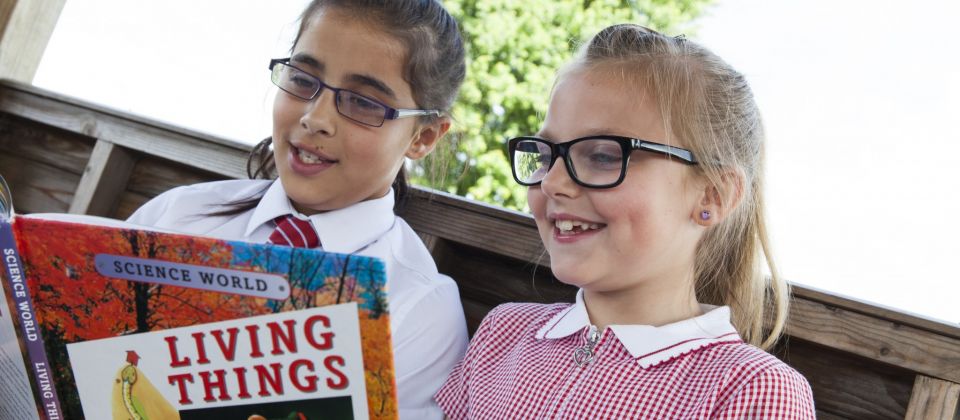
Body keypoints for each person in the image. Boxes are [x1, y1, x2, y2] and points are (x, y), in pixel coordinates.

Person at [435, 24, 816, 418]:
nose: (551, 182)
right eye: (547, 154)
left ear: (713, 195)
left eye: (603, 156)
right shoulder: (504, 333)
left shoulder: (751, 389)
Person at [127, 1, 468, 418]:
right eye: (303, 80)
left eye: (363, 102)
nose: (315, 117)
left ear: (424, 136)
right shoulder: (177, 216)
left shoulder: (416, 306)